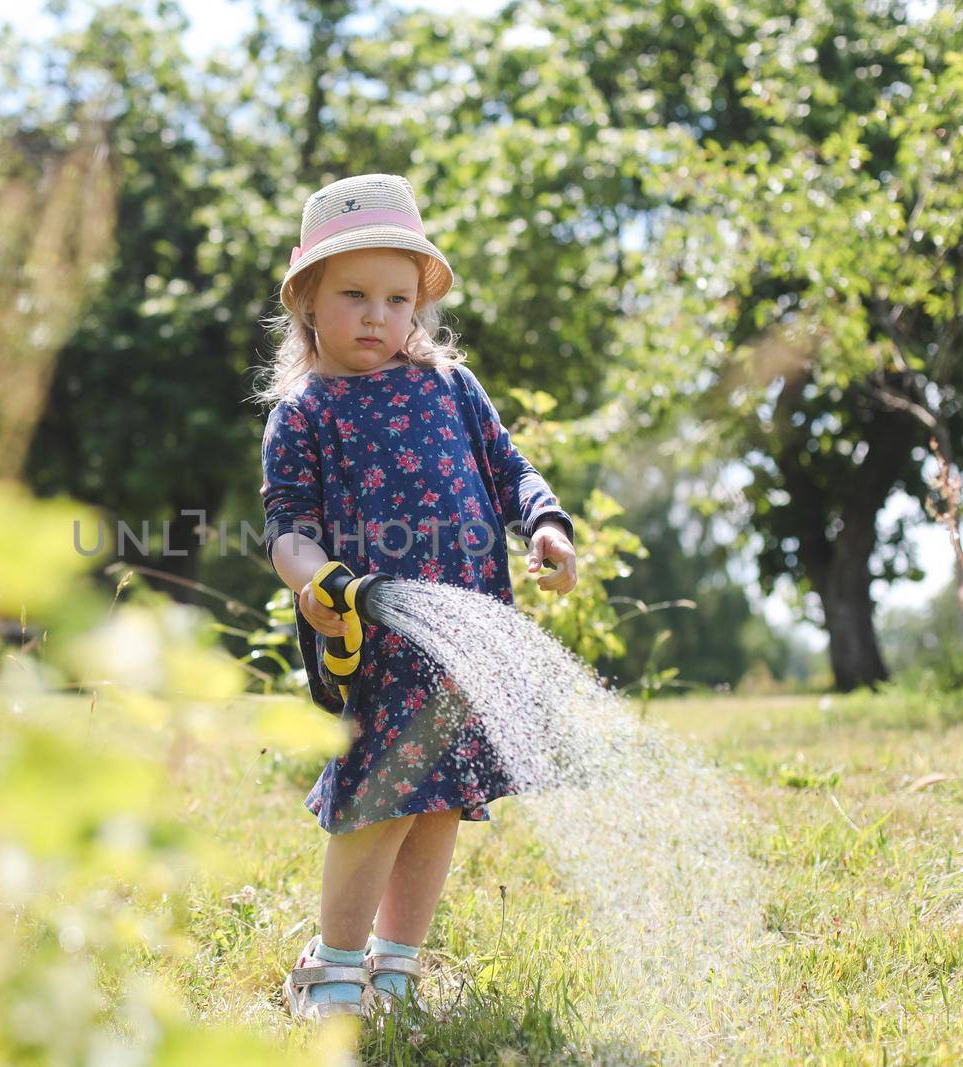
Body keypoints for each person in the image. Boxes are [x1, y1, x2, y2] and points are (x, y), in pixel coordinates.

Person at [254, 173, 579, 1021]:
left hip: (464, 642)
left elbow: (510, 470)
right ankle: (331, 969)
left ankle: (396, 971)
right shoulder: (305, 412)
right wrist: (316, 582)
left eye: (397, 299)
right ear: (308, 304)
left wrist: (544, 523)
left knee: (437, 804)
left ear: (418, 308)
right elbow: (289, 529)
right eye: (354, 294)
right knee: (374, 802)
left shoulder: (450, 388)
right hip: (372, 644)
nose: (376, 316)